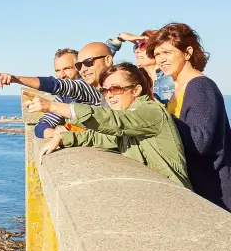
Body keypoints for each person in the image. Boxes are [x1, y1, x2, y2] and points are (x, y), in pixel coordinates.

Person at [24, 62, 191, 189]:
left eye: (116, 89)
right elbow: (101, 136)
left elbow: (113, 121)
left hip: (174, 196)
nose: (109, 96)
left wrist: (53, 106)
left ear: (136, 90)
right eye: (105, 90)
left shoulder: (151, 112)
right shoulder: (131, 114)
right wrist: (62, 138)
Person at [147, 23, 231, 211]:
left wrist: (157, 115)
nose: (161, 59)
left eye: (167, 52)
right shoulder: (178, 89)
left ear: (187, 52)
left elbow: (200, 141)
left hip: (213, 192)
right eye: (157, 54)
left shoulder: (200, 86)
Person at [109, 30, 174, 103]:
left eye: (143, 46)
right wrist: (119, 39)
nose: (137, 50)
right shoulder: (135, 78)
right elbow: (100, 63)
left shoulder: (172, 77)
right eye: (136, 46)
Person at [33, 48, 79, 138]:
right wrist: (54, 133)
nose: (61, 75)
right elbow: (40, 127)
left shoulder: (92, 90)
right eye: (57, 70)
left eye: (67, 68)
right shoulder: (63, 96)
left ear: (79, 68)